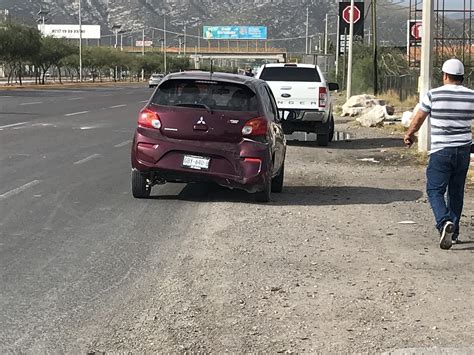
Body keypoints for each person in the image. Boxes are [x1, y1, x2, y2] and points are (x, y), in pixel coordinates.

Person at [404, 58, 474, 250]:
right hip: (463, 151)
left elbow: (419, 117)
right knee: (456, 191)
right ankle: (455, 232)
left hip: (441, 151)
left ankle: (444, 223)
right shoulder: (471, 96)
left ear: (444, 75)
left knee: (435, 191)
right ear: (462, 76)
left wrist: (410, 134)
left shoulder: (433, 94)